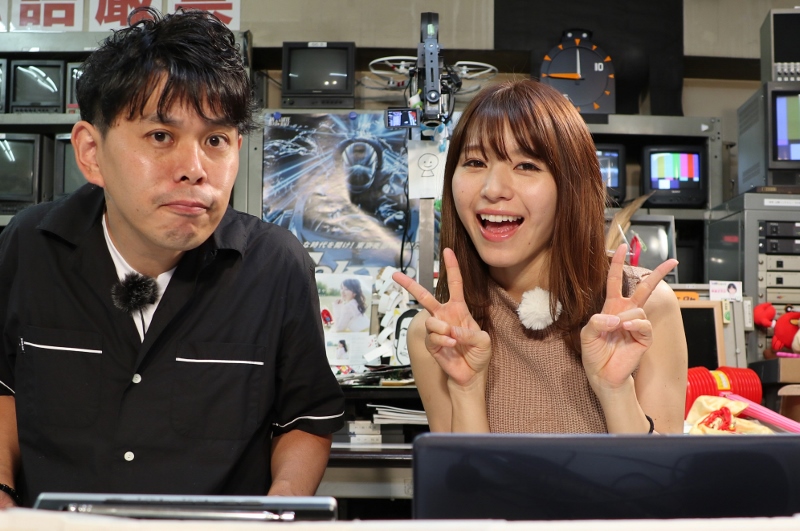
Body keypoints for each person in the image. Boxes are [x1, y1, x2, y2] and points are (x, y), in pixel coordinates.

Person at [0, 8, 344, 508]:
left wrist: (280, 509)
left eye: (215, 140)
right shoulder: (30, 247)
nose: (194, 169)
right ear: (91, 152)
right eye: (161, 136)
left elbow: (305, 419)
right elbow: (5, 386)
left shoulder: (276, 266)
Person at [392, 79, 687, 435]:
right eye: (474, 161)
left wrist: (615, 390)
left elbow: (662, 470)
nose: (492, 189)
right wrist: (467, 389)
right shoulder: (437, 334)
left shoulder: (644, 308)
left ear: (571, 186)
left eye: (526, 166)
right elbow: (465, 473)